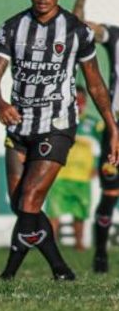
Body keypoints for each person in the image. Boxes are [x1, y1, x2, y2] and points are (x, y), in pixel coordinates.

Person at [0, 0, 119, 281]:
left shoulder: (74, 30)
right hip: (18, 125)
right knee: (20, 204)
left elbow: (96, 83)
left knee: (31, 199)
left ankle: (8, 275)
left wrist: (112, 127)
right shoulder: (12, 27)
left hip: (57, 126)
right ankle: (61, 269)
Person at [71, 0, 119, 272]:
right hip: (116, 131)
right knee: (110, 194)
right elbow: (79, 28)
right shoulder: (114, 36)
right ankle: (100, 254)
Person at [45, 85, 103, 250]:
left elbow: (107, 146)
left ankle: (79, 245)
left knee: (80, 213)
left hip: (82, 177)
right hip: (59, 174)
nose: (78, 104)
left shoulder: (94, 124)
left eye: (81, 101)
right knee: (54, 212)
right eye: (74, 101)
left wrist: (98, 166)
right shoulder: (57, 121)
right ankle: (50, 246)